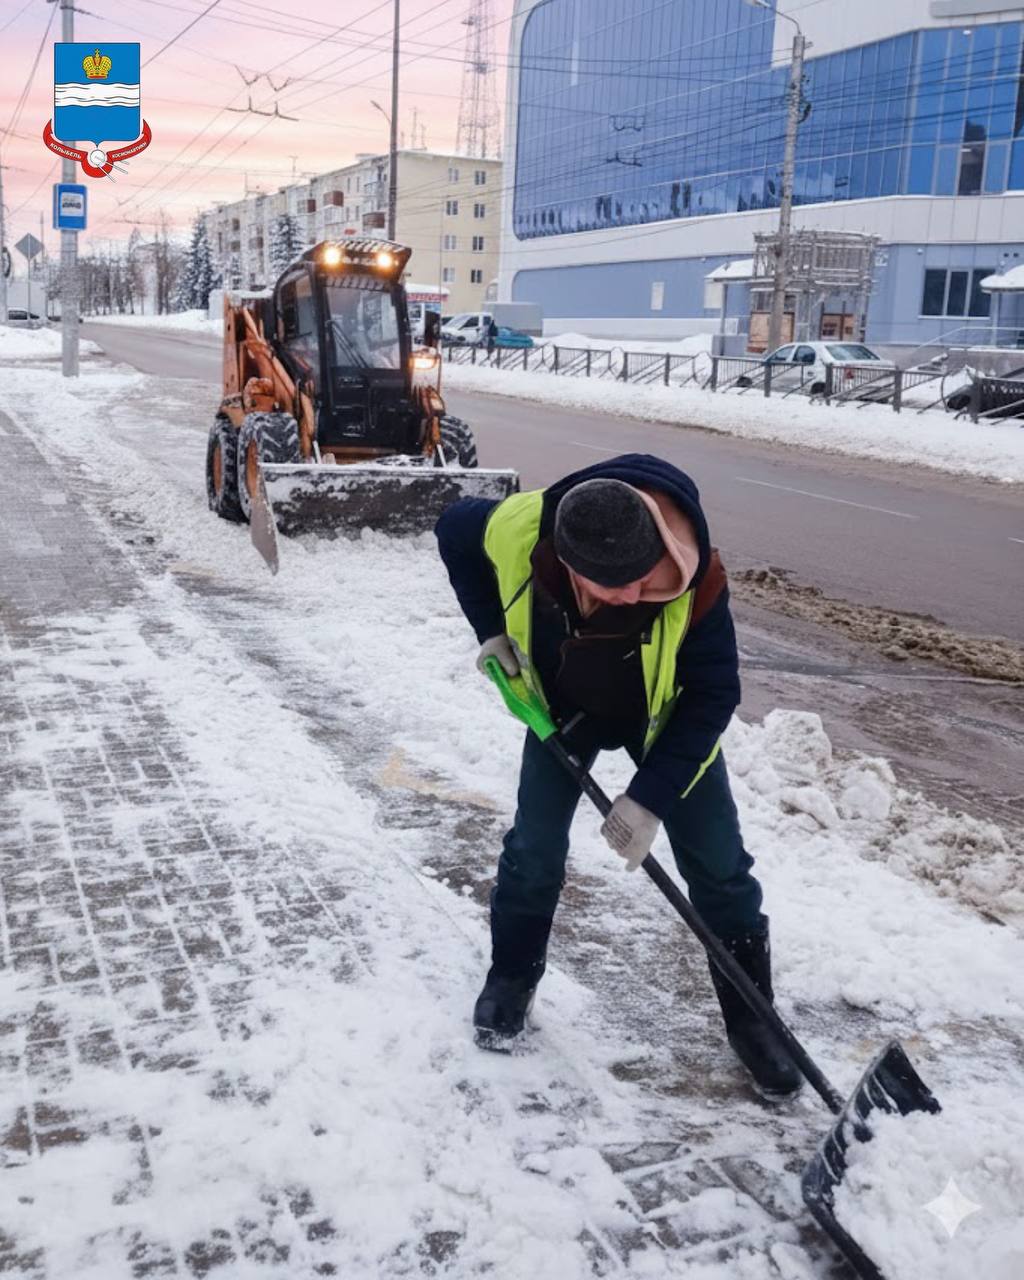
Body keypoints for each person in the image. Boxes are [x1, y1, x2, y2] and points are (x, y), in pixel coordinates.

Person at [435, 452, 800, 1098]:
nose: (635, 595)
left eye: (643, 576)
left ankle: (754, 1019)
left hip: (665, 721)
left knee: (720, 867)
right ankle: (511, 977)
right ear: (568, 562)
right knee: (533, 848)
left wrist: (649, 798)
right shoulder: (522, 528)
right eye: (615, 586)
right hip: (562, 709)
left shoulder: (698, 578)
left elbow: (715, 694)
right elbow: (453, 530)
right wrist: (490, 630)